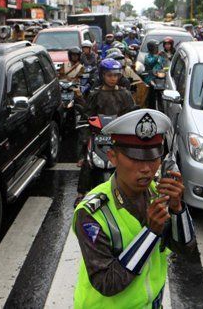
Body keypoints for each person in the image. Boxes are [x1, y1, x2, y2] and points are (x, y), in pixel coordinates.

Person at [73, 109, 195, 308]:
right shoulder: (91, 212)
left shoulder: (157, 193)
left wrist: (177, 209)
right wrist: (151, 232)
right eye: (136, 159)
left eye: (153, 158)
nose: (147, 168)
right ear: (112, 157)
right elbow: (107, 282)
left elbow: (185, 249)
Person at [76, 59, 136, 205]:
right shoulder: (94, 94)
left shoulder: (125, 94)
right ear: (102, 75)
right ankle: (81, 193)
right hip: (98, 135)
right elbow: (87, 117)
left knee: (131, 163)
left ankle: (133, 192)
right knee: (88, 162)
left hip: (119, 136)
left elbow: (131, 115)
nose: (113, 78)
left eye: (116, 75)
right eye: (109, 75)